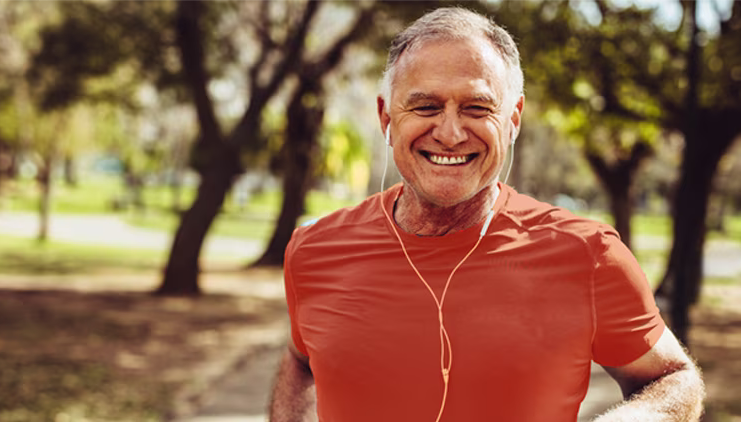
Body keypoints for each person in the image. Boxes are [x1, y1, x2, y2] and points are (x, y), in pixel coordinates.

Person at [269, 7, 704, 422]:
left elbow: (673, 378)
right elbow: (301, 361)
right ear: (386, 117)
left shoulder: (588, 253)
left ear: (513, 119)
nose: (451, 132)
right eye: (425, 107)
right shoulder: (314, 250)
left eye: (477, 108)